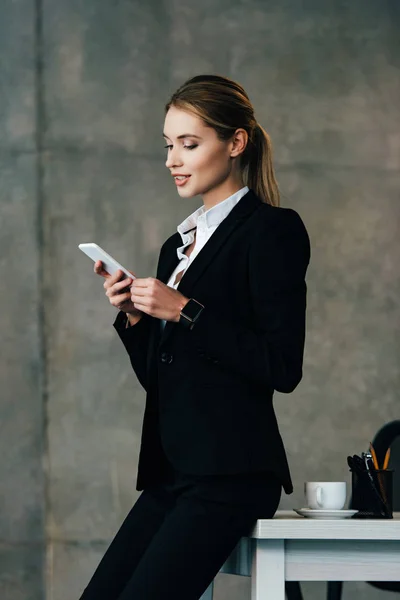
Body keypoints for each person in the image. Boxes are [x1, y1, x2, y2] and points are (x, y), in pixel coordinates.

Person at [79, 74, 310, 600]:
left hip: (232, 474)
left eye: (189, 144)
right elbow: (168, 381)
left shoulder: (272, 231)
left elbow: (282, 367)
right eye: (168, 145)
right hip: (173, 473)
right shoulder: (176, 247)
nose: (173, 159)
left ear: (235, 143)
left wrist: (184, 309)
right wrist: (137, 320)